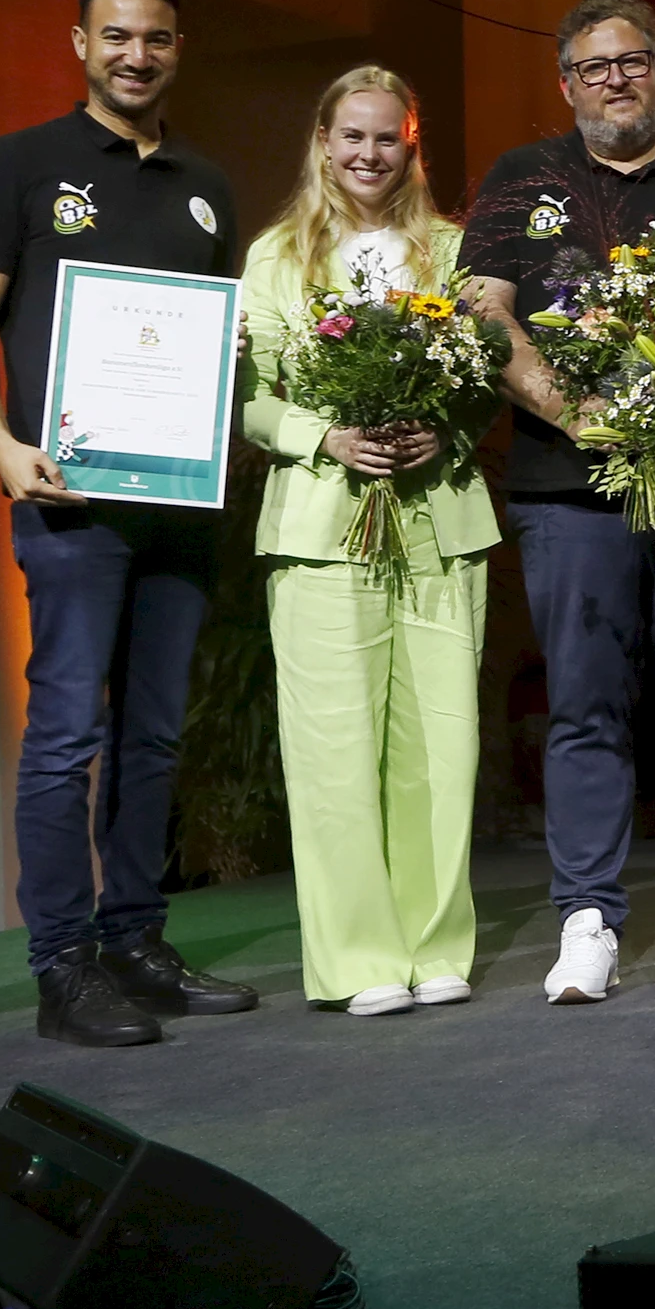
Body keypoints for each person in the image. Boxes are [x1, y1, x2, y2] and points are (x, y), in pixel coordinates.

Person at [0, 0, 257, 1046]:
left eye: (156, 38)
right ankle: (62, 967)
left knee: (156, 736)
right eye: (116, 35)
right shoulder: (19, 167)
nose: (136, 54)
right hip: (68, 498)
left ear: (179, 49)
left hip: (179, 501)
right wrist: (0, 442)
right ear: (80, 43)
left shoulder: (209, 186)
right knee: (67, 731)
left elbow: (214, 339)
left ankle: (136, 939)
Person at [460, 0, 655, 1010]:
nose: (615, 80)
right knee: (587, 705)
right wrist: (578, 413)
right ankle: (586, 915)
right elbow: (482, 311)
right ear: (566, 84)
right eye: (594, 68)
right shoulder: (521, 178)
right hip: (568, 491)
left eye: (632, 62)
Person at [237, 68, 493, 1017]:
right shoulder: (274, 258)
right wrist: (324, 434)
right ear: (322, 140)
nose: (368, 155)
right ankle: (358, 959)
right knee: (334, 751)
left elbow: (480, 385)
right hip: (319, 525)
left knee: (441, 745)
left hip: (440, 518)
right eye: (351, 136)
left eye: (387, 138)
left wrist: (447, 431)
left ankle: (434, 946)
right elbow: (255, 403)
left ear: (411, 146)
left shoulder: (455, 255)